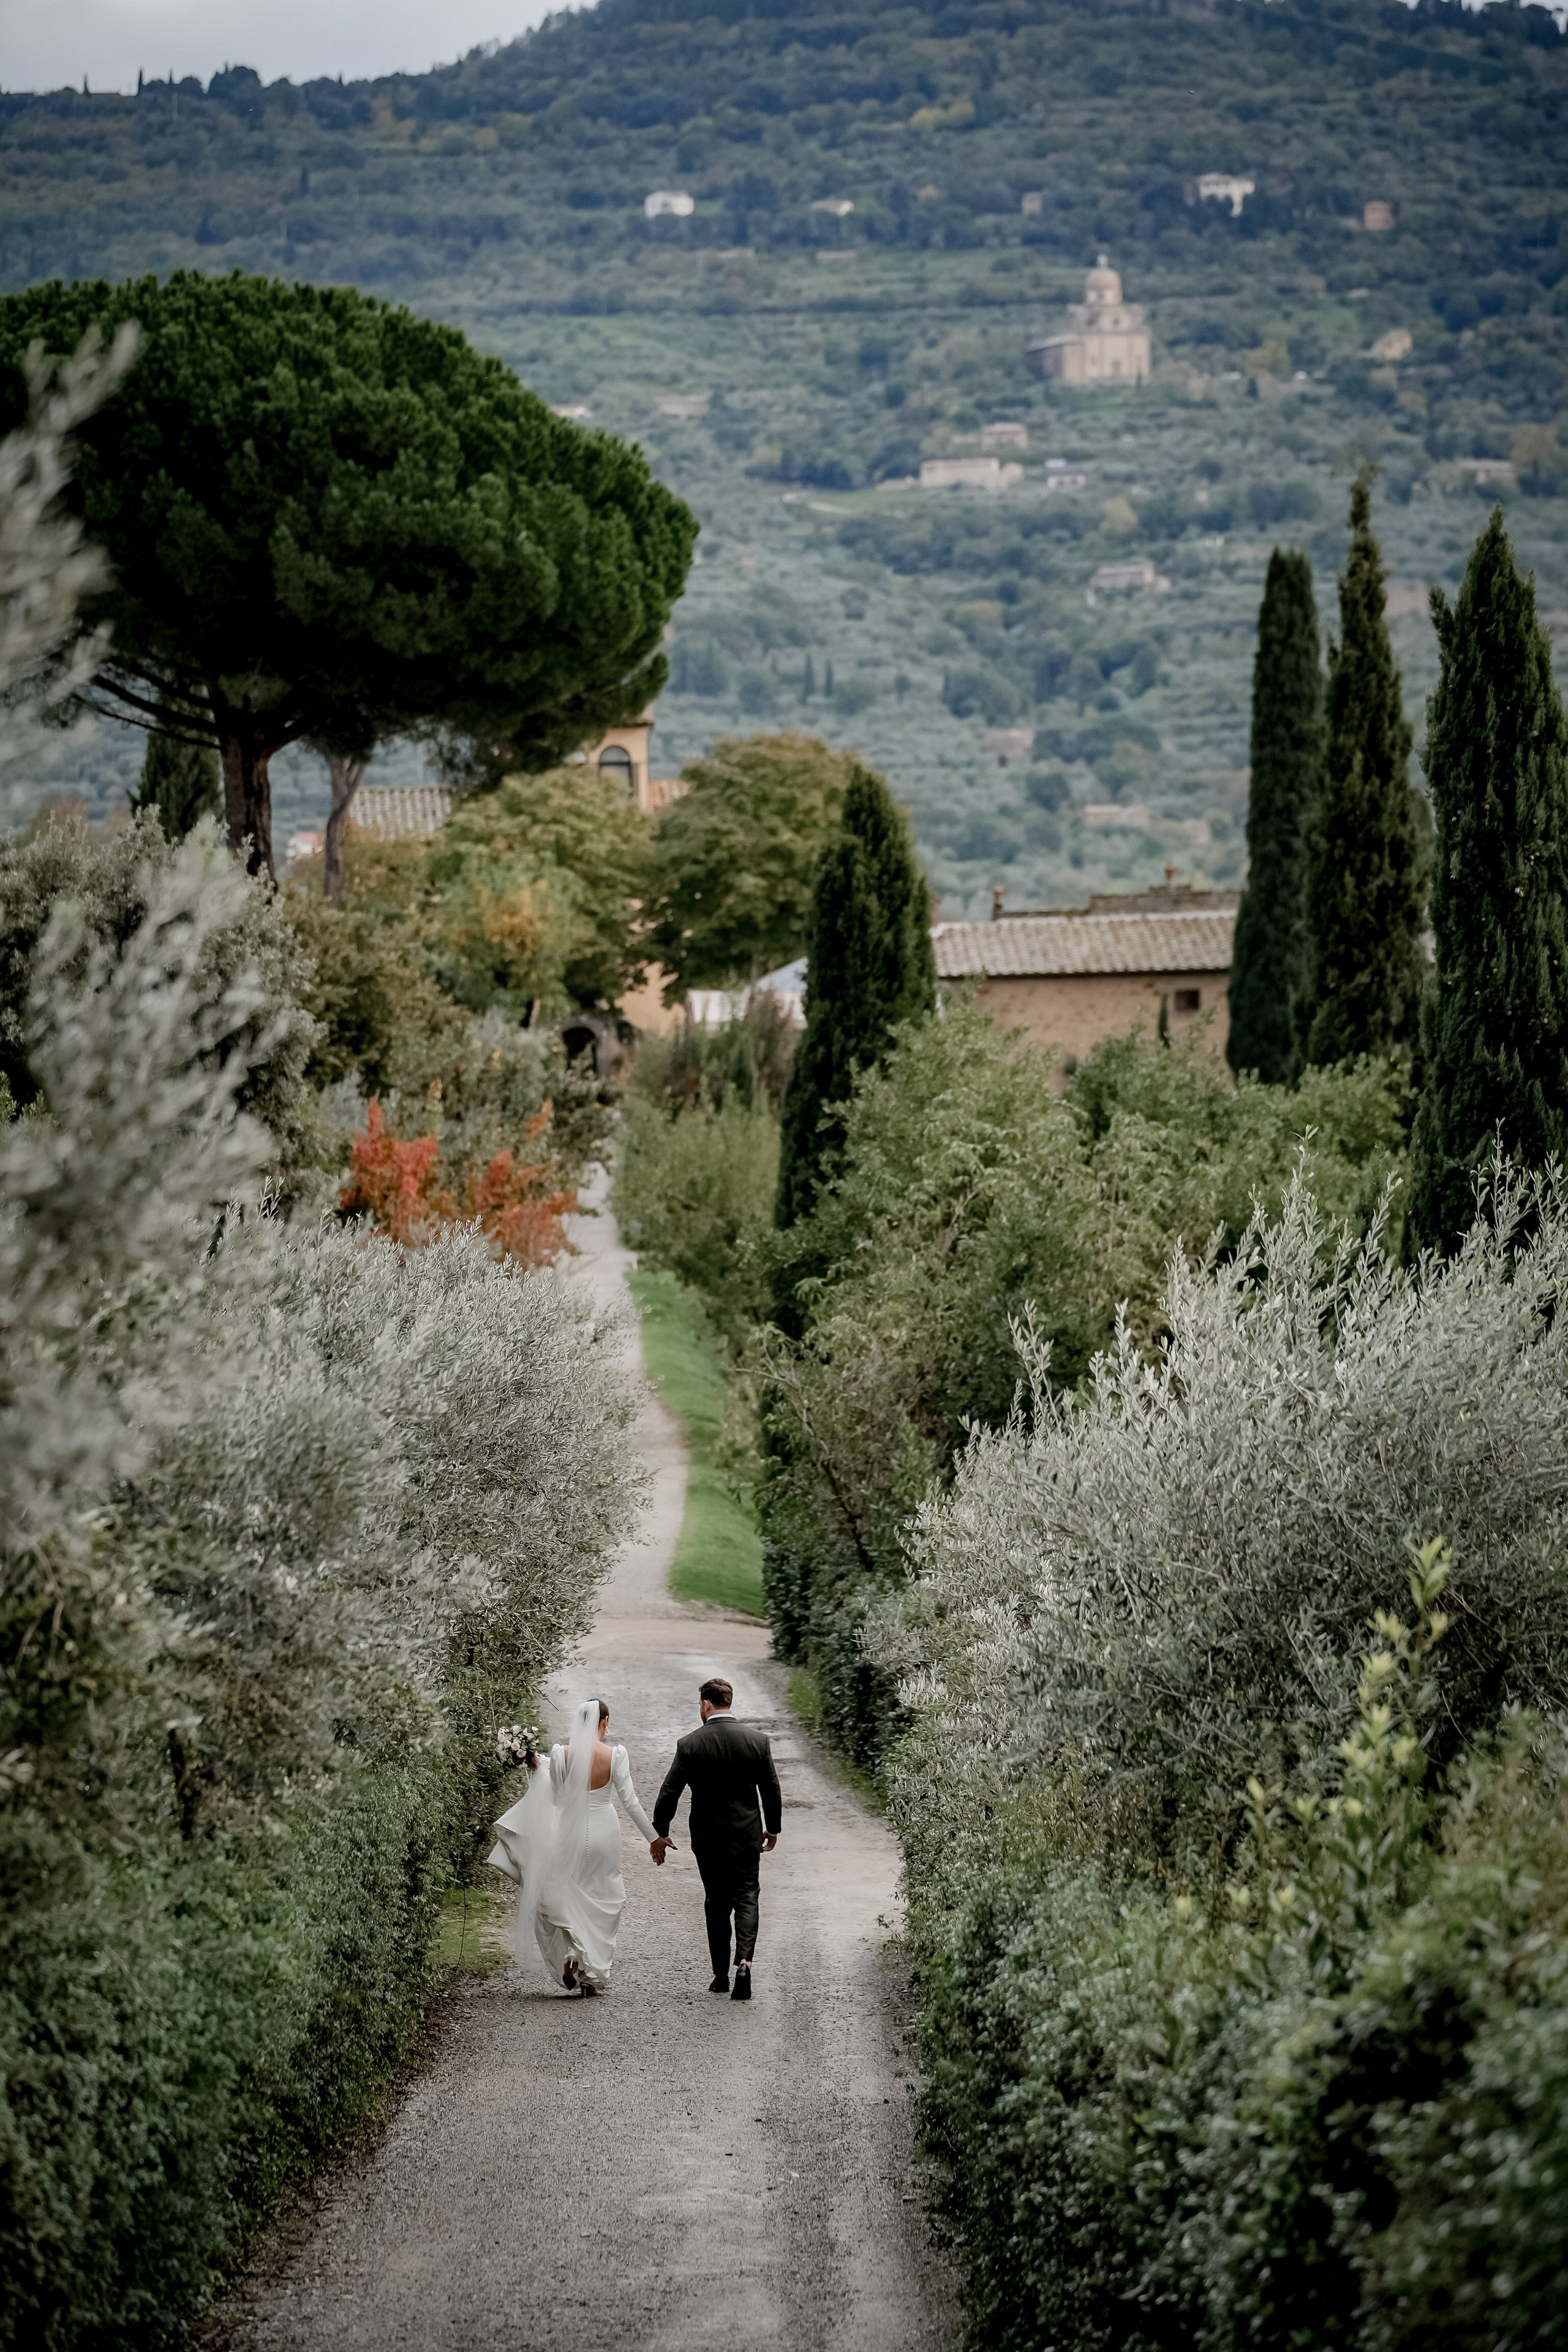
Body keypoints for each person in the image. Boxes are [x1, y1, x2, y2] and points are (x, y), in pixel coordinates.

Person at [487, 1697, 657, 1995]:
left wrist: (541, 1766)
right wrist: (654, 1838)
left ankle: (574, 1959)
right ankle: (588, 1969)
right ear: (604, 1722)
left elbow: (554, 1798)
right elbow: (630, 1801)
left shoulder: (560, 1754)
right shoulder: (616, 1754)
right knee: (607, 1897)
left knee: (570, 1894)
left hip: (570, 1834)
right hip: (605, 1831)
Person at [651, 1676, 782, 2002]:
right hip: (746, 1832)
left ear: (706, 1705)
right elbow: (771, 1791)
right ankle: (745, 1963)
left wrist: (661, 1831)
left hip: (708, 1836)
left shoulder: (690, 1744)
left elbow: (670, 1793)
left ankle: (721, 1976)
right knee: (747, 1895)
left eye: (700, 1704)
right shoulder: (757, 1741)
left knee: (716, 1901)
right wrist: (773, 1828)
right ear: (729, 1702)